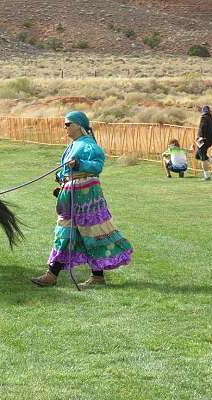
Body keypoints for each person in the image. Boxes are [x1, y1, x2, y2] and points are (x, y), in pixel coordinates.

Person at [31, 111, 133, 289]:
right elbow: (70, 167)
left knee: (87, 230)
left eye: (68, 124)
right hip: (73, 193)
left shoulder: (88, 144)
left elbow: (97, 165)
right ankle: (94, 276)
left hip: (85, 195)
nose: (65, 127)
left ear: (78, 125)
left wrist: (79, 165)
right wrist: (61, 174)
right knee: (77, 233)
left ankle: (52, 274)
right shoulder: (74, 145)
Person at [195, 105, 212, 181]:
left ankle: (207, 176)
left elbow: (202, 128)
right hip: (209, 142)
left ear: (203, 111)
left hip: (202, 141)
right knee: (198, 156)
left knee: (203, 158)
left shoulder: (203, 118)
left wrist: (199, 138)